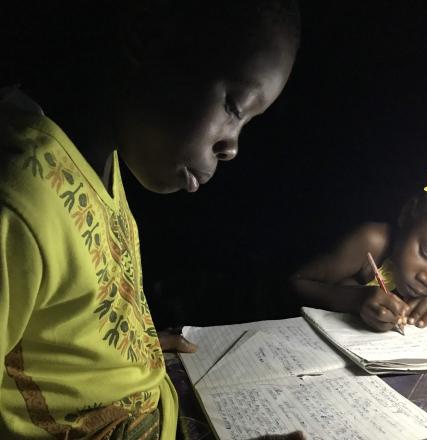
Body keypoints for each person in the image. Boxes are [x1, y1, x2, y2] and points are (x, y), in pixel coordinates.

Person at [0, 1, 305, 439]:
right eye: (235, 108)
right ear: (145, 35)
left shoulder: (93, 160)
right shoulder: (18, 199)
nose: (232, 147)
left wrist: (120, 349)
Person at [289, 171, 427, 333]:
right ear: (407, 214)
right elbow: (296, 283)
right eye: (426, 253)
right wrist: (356, 299)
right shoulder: (373, 241)